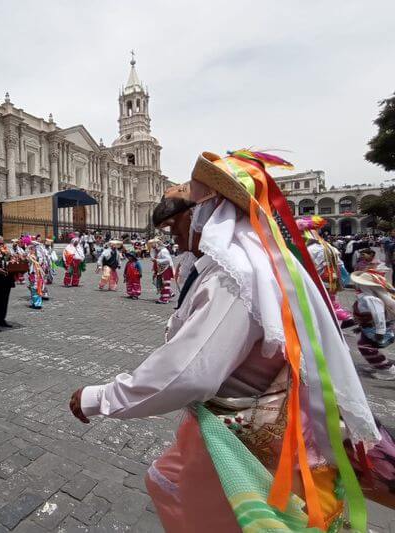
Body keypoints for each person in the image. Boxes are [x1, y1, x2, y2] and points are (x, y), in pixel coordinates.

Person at [69, 149, 395, 532]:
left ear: (208, 213)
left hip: (246, 434)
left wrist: (99, 398)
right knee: (167, 481)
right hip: (241, 422)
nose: (172, 235)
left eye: (176, 224)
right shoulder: (252, 266)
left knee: (211, 509)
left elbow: (190, 372)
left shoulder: (233, 276)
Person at [297, 216, 355, 328]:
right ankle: (344, 317)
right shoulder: (328, 246)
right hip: (331, 280)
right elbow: (340, 264)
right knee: (331, 301)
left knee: (319, 304)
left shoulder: (310, 249)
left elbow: (305, 267)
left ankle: (329, 324)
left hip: (318, 282)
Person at [352, 269, 395, 380]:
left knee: (365, 346)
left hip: (376, 329)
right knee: (365, 345)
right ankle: (379, 365)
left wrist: (380, 331)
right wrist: (360, 327)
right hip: (369, 328)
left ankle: (387, 369)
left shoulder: (370, 299)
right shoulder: (365, 297)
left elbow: (379, 315)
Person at [26, 241, 45, 309]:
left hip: (36, 274)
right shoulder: (32, 255)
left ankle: (37, 304)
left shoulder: (35, 256)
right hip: (33, 274)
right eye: (30, 248)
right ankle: (34, 302)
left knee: (35, 288)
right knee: (33, 288)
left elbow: (38, 263)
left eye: (32, 248)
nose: (30, 250)